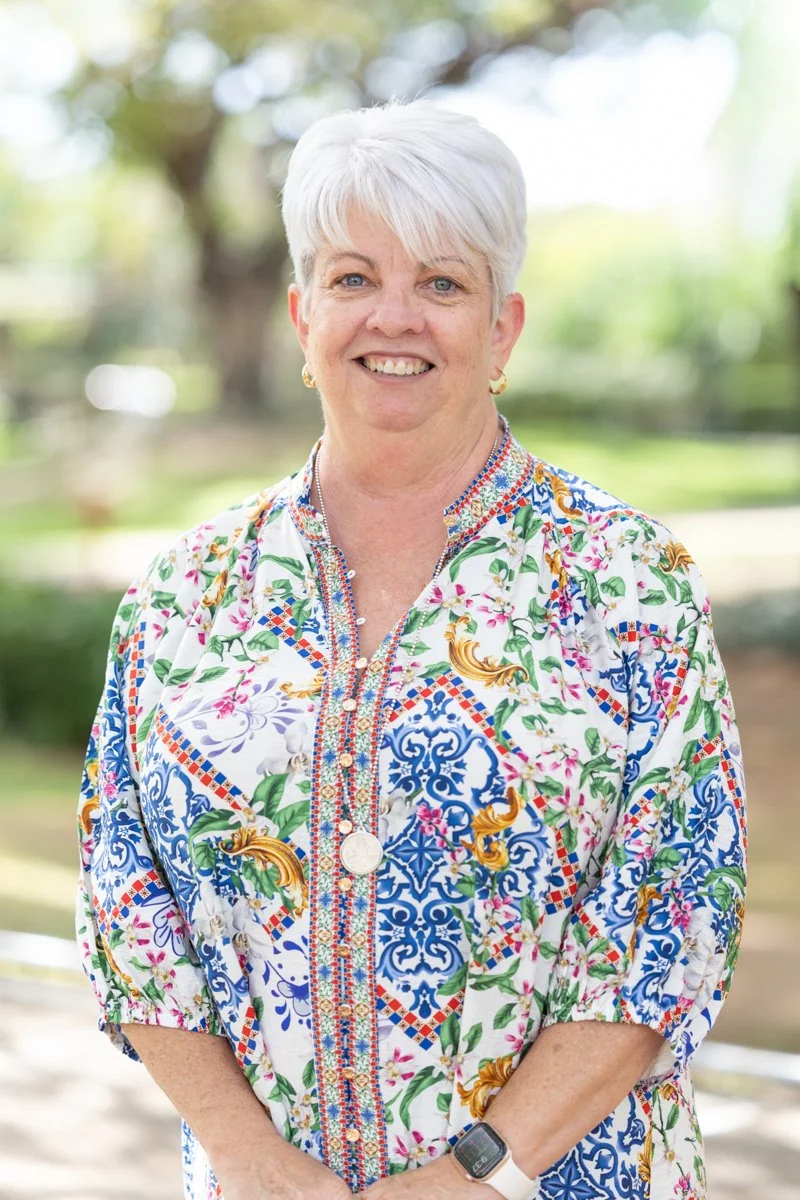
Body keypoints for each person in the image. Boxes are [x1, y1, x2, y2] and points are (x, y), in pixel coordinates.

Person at [76, 100, 747, 1200]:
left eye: (441, 283)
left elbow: (668, 916)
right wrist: (243, 1156)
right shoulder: (182, 597)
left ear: (502, 330)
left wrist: (478, 1173)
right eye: (352, 278)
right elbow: (125, 910)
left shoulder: (628, 582)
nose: (395, 316)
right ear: (301, 318)